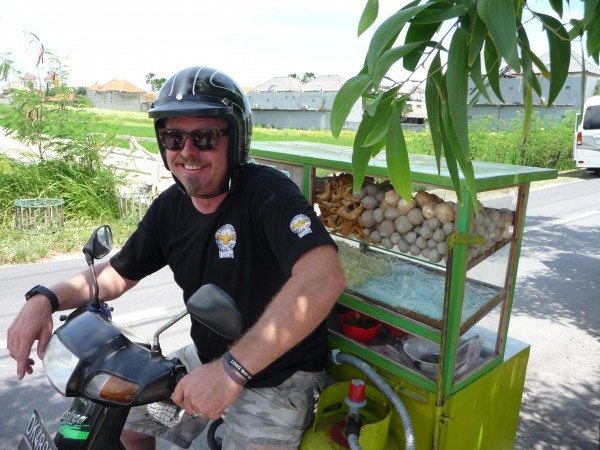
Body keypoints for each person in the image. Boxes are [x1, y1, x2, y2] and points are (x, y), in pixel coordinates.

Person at [7, 66, 346, 449]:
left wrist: (232, 371)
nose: (186, 151)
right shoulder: (171, 207)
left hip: (275, 377)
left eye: (204, 137)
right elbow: (116, 274)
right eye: (173, 137)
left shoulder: (267, 193)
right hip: (207, 358)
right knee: (126, 421)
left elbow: (324, 277)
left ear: (234, 141)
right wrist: (43, 299)